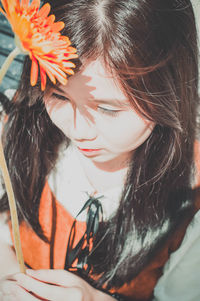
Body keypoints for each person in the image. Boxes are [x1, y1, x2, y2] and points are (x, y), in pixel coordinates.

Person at [0, 0, 199, 300]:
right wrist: (9, 278)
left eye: (108, 109)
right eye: (59, 95)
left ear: (169, 92)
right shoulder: (19, 123)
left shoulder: (191, 193)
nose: (78, 131)